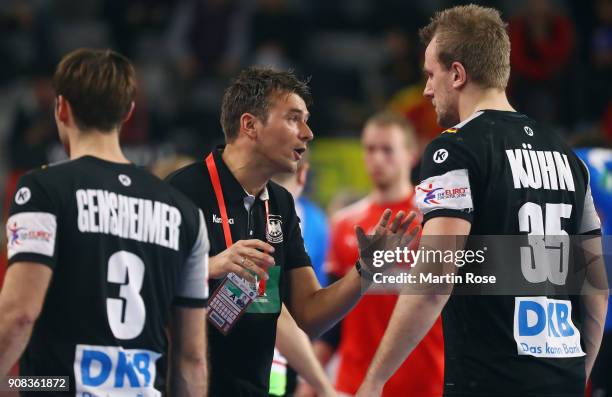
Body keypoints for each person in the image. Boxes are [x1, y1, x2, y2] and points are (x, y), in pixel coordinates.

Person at [356, 5, 607, 397]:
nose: (425, 90)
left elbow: (435, 278)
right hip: (564, 379)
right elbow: (596, 287)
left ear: (456, 74)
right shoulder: (570, 158)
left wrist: (373, 382)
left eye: (429, 75)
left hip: (488, 381)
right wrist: (576, 378)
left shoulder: (453, 149)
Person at [166, 66, 419, 397]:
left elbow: (310, 314)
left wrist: (366, 270)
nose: (308, 132)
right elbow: (147, 287)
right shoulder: (183, 192)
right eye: (293, 119)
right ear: (250, 125)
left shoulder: (281, 204)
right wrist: (209, 266)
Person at [0, 48, 209, 396]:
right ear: (128, 112)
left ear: (61, 108)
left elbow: (19, 314)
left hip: (59, 386)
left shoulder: (42, 188)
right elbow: (191, 360)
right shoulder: (185, 213)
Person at [320, 111, 443, 397]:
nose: (376, 158)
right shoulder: (343, 223)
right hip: (355, 384)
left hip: (426, 383)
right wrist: (309, 381)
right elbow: (331, 319)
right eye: (370, 149)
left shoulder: (436, 219)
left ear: (412, 153)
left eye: (387, 149)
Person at [271, 158, 335, 397]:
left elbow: (311, 308)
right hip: (277, 364)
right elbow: (286, 311)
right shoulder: (323, 224)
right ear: (303, 174)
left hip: (285, 367)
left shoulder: (318, 222)